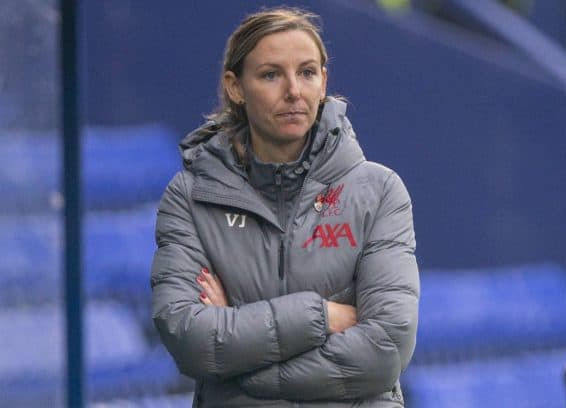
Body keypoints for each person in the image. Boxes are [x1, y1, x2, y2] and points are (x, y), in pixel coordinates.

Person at [151, 7, 419, 407]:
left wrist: (243, 357)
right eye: (271, 75)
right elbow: (192, 340)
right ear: (235, 87)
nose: (293, 90)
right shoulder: (190, 197)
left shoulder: (380, 191)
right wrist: (324, 316)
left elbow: (385, 349)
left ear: (324, 82)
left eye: (307, 72)